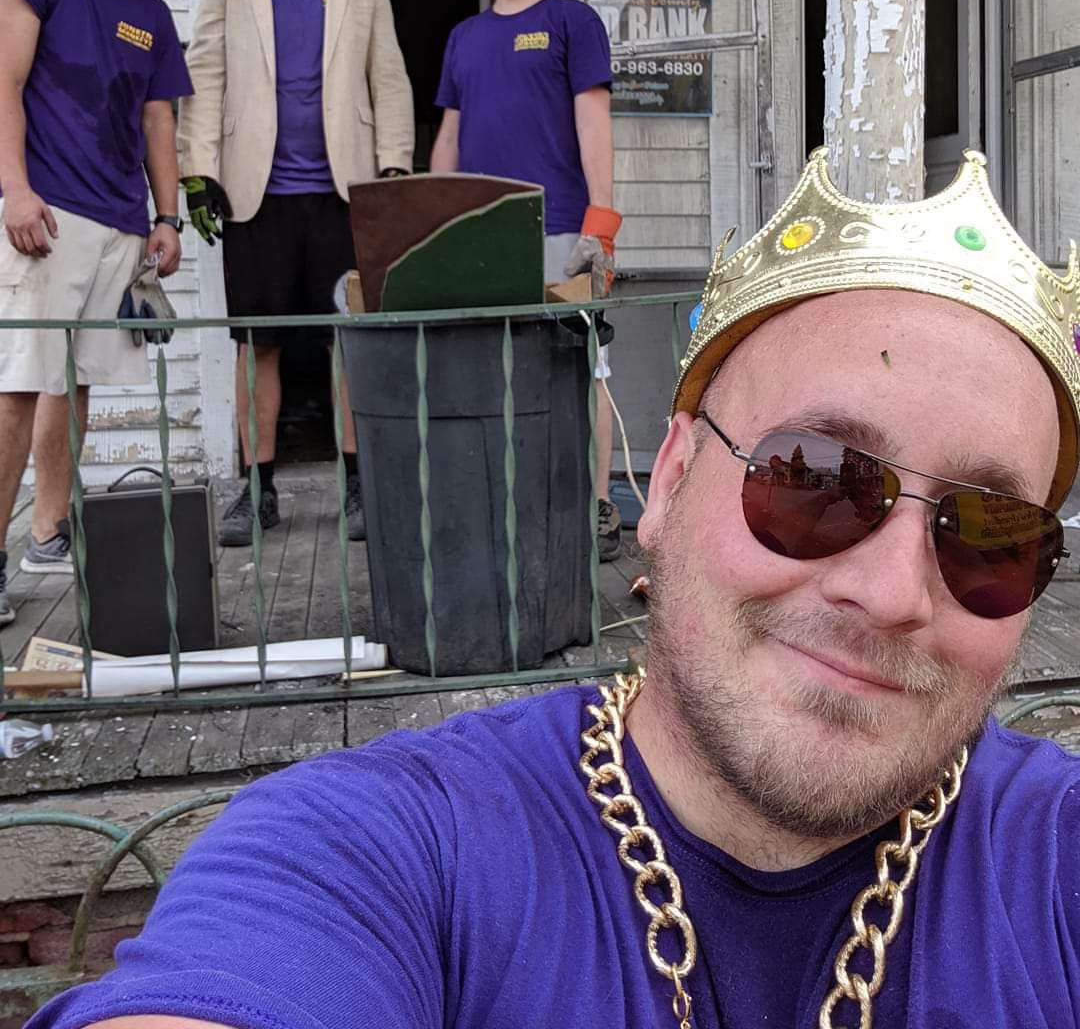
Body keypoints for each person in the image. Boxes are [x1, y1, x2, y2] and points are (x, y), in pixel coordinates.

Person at [27, 147, 1080, 1029]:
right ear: (667, 479)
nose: (896, 592)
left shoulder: (1054, 866)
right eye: (815, 480)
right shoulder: (383, 855)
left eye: (991, 535)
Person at [178, 0, 414, 549]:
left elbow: (390, 79)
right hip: (256, 195)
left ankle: (356, 487)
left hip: (345, 195)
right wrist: (198, 169)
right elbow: (206, 74)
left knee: (352, 342)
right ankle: (256, 492)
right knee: (260, 346)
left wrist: (396, 169)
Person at [0, 0, 191, 627]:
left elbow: (157, 122)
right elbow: (4, 85)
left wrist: (168, 216)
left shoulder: (150, 11)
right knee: (17, 388)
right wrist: (13, 189)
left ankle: (49, 528)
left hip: (120, 220)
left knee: (73, 381)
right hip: (48, 213)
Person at [431, 0, 625, 559]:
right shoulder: (463, 38)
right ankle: (513, 504)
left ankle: (598, 505)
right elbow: (449, 136)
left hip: (560, 227)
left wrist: (600, 224)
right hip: (481, 236)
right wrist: (437, 221)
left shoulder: (573, 22)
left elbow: (592, 122)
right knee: (493, 372)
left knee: (584, 371)